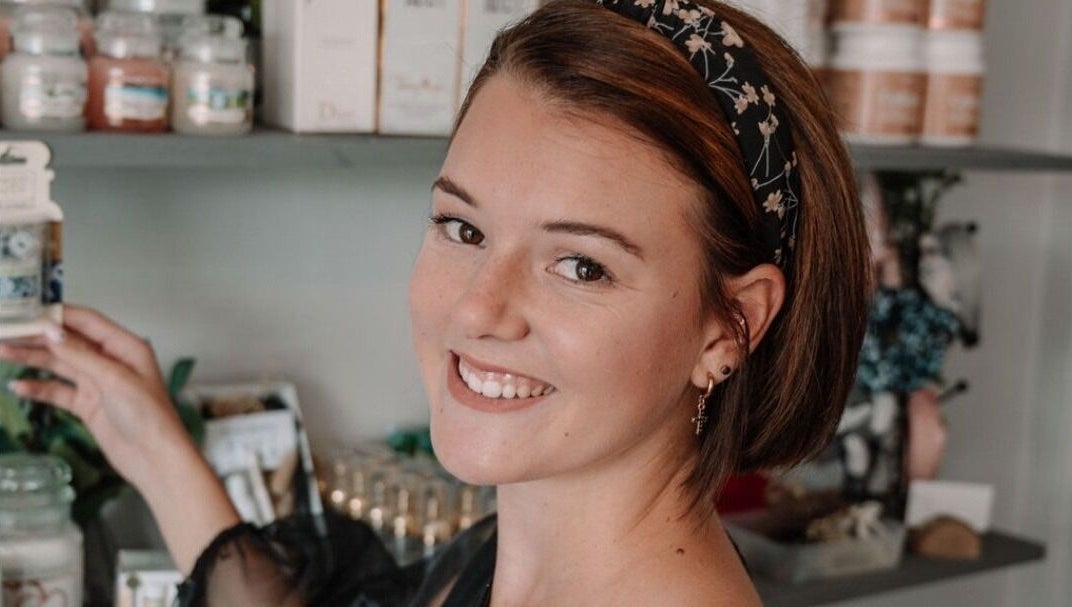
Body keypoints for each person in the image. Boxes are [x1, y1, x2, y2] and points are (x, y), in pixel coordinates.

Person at [0, 0, 871, 604]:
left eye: (580, 266)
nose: (478, 309)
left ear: (731, 325)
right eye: (463, 227)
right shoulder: (508, 555)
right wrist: (152, 444)